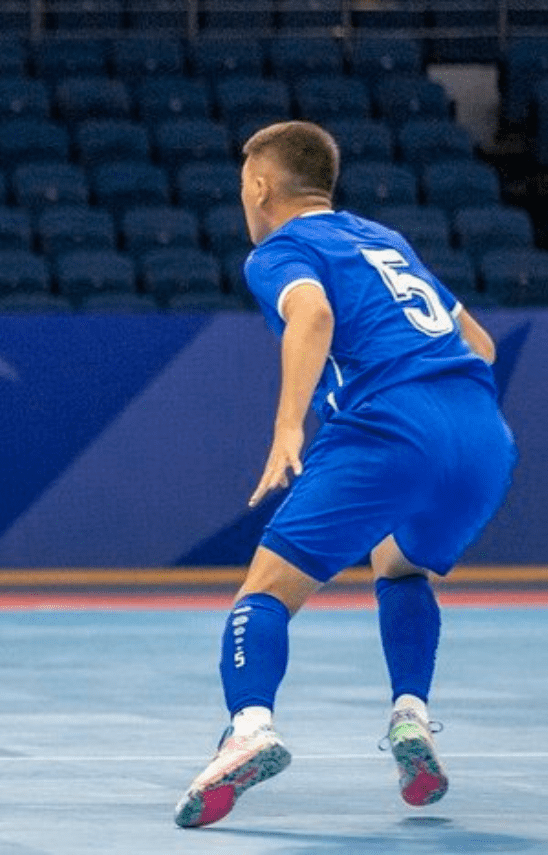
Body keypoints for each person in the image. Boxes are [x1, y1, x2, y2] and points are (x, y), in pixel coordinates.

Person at [174, 121, 517, 828]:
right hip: (482, 433)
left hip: (390, 426)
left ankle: (249, 729)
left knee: (264, 592)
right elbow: (478, 343)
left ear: (261, 186)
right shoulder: (384, 240)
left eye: (245, 185)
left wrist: (287, 426)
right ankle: (411, 715)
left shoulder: (280, 249)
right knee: (397, 564)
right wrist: (448, 420)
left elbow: (315, 314)